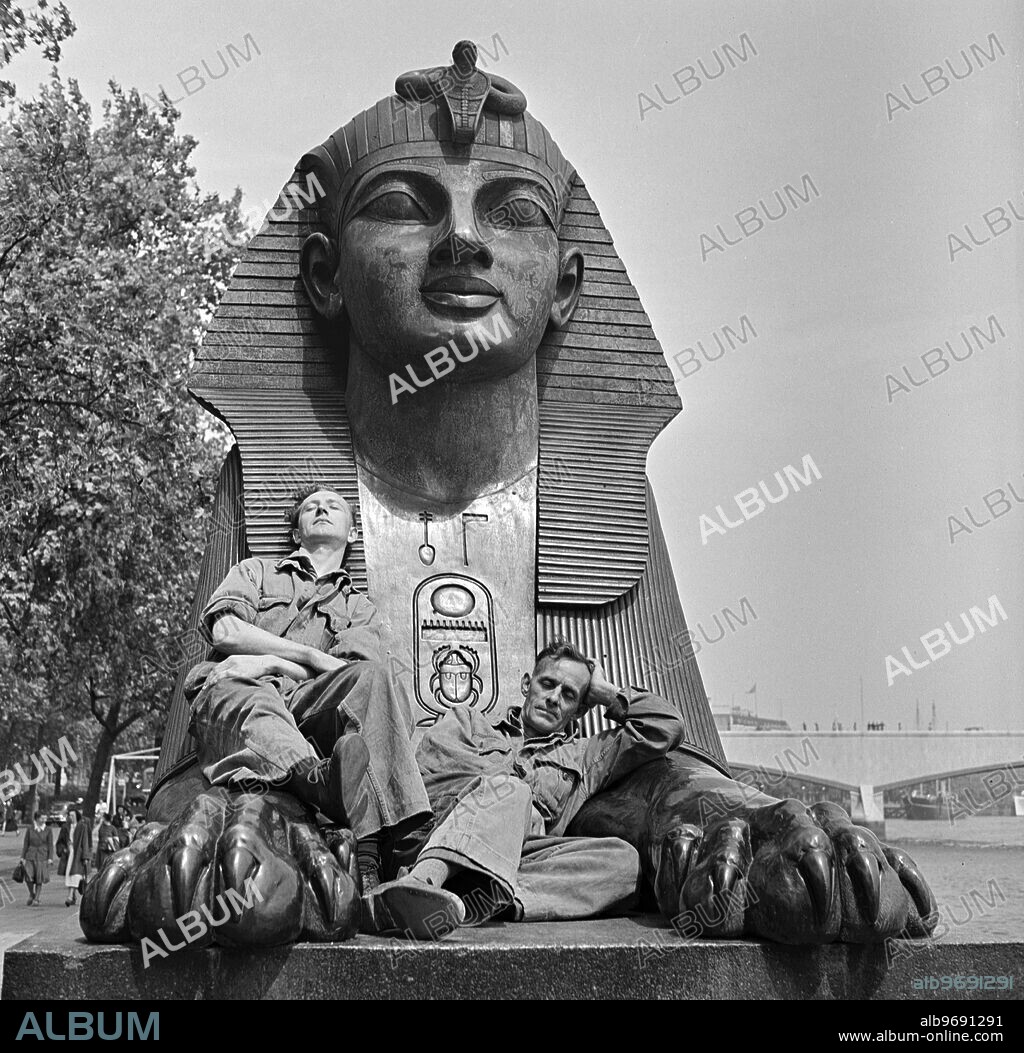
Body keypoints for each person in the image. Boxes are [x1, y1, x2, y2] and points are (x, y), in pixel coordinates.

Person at [184, 484, 438, 899]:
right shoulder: (256, 571)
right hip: (235, 692)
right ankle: (320, 786)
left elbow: (352, 671)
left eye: (333, 506)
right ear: (297, 533)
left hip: (305, 704)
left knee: (375, 678)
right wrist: (298, 659)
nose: (321, 509)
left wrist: (268, 659)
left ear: (352, 533)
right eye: (311, 507)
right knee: (246, 689)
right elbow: (226, 631)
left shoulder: (360, 608)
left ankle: (395, 842)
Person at [362, 639, 686, 939]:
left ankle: (467, 898)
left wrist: (606, 693)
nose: (554, 698)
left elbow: (665, 726)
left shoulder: (584, 757)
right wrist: (515, 801)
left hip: (517, 860)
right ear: (526, 684)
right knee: (511, 792)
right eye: (547, 683)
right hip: (434, 839)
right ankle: (422, 881)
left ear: (580, 710)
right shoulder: (469, 721)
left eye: (569, 694)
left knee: (624, 863)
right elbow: (432, 780)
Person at [56, 808, 92, 907]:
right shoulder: (65, 827)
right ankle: (73, 896)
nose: (70, 817)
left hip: (78, 855)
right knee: (70, 874)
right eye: (69, 815)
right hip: (69, 854)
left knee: (76, 875)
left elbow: (85, 842)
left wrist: (85, 857)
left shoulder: (83, 827)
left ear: (76, 816)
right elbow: (60, 841)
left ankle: (70, 896)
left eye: (72, 815)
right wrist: (63, 849)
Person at [20, 811, 55, 906]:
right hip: (30, 855)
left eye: (45, 818)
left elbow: (50, 845)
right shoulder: (30, 829)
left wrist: (50, 858)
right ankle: (32, 894)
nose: (44, 820)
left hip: (42, 856)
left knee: (39, 878)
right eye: (42, 818)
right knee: (28, 877)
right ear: (36, 818)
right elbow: (26, 844)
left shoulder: (48, 830)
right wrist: (22, 857)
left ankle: (37, 898)